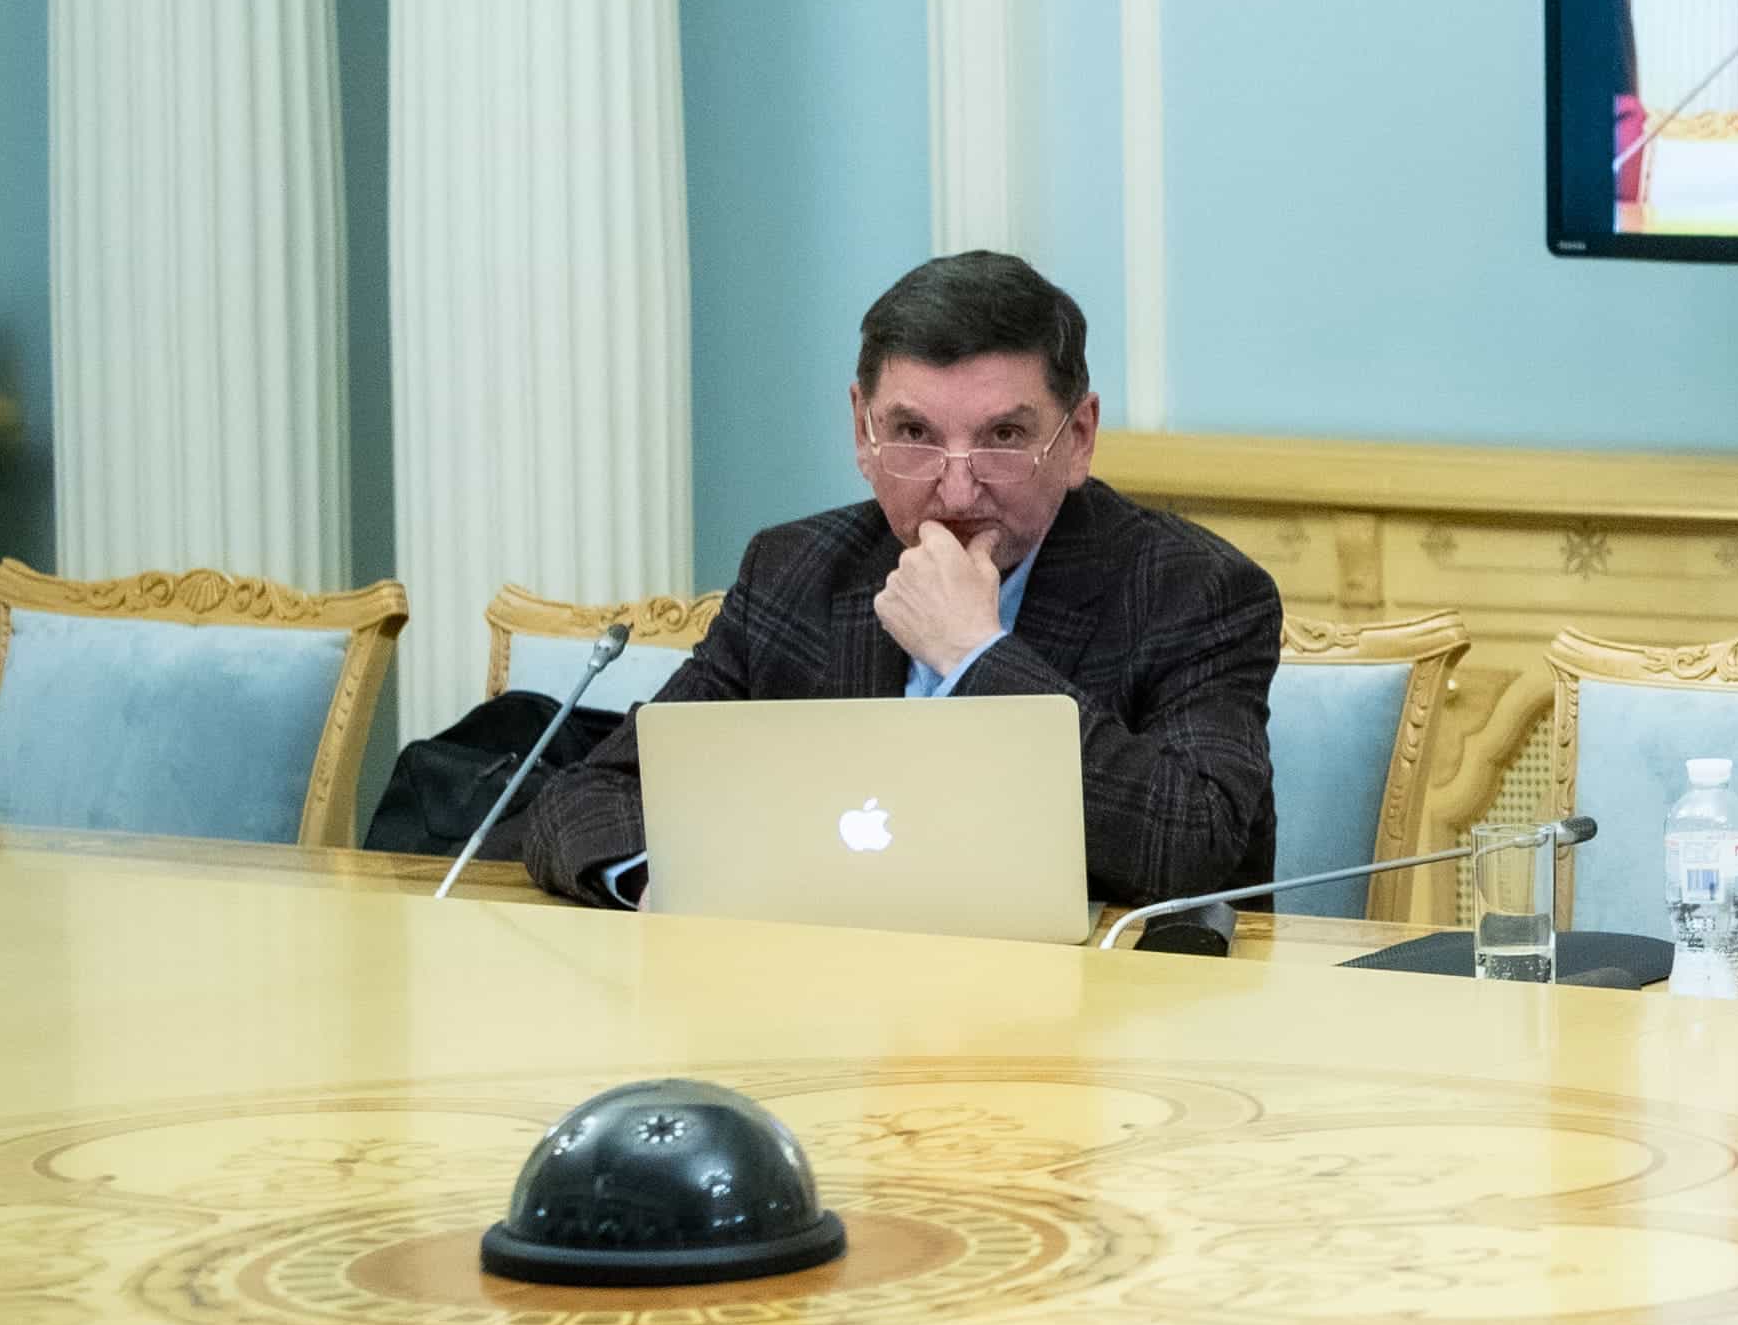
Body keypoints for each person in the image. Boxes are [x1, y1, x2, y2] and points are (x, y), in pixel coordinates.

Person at [516, 253, 1282, 918]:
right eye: (915, 434)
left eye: (1004, 437)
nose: (957, 491)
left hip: (1097, 1016)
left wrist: (976, 656)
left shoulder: (1194, 591)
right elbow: (591, 795)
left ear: (1077, 438)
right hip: (821, 1003)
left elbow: (1196, 847)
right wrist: (666, 886)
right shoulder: (795, 572)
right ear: (864, 430)